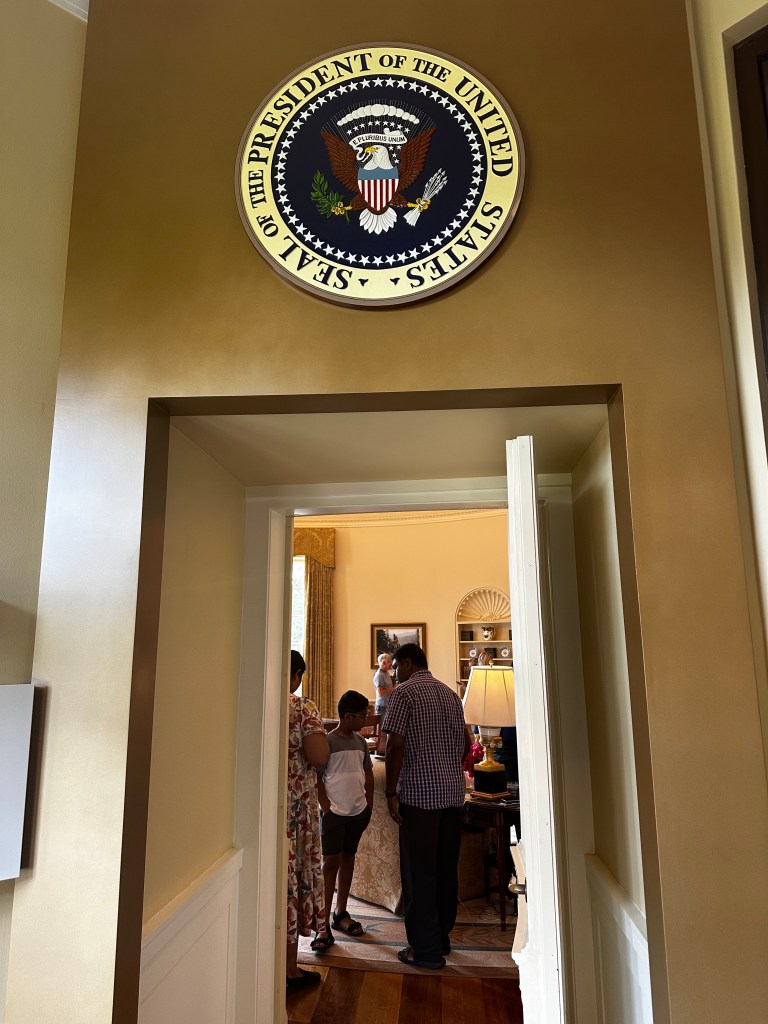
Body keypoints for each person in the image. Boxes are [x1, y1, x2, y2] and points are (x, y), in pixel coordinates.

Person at [383, 643, 471, 970]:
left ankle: (424, 951)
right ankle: (441, 939)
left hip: (419, 798)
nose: (395, 673)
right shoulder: (450, 694)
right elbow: (467, 743)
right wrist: (448, 766)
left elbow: (395, 745)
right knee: (446, 870)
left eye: (396, 667)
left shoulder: (404, 694)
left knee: (419, 874)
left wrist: (390, 792)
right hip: (452, 796)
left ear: (407, 663)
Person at [312, 690, 374, 950]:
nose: (365, 720)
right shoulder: (328, 742)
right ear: (348, 716)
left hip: (358, 812)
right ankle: (322, 924)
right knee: (330, 864)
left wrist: (368, 805)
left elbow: (368, 774)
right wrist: (327, 808)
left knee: (349, 857)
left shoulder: (361, 742)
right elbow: (317, 777)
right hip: (334, 814)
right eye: (362, 716)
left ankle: (340, 913)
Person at [286, 650, 330, 996]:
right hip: (296, 808)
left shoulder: (256, 700)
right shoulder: (301, 707)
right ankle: (288, 970)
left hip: (262, 806)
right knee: (294, 879)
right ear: (298, 674)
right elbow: (318, 756)